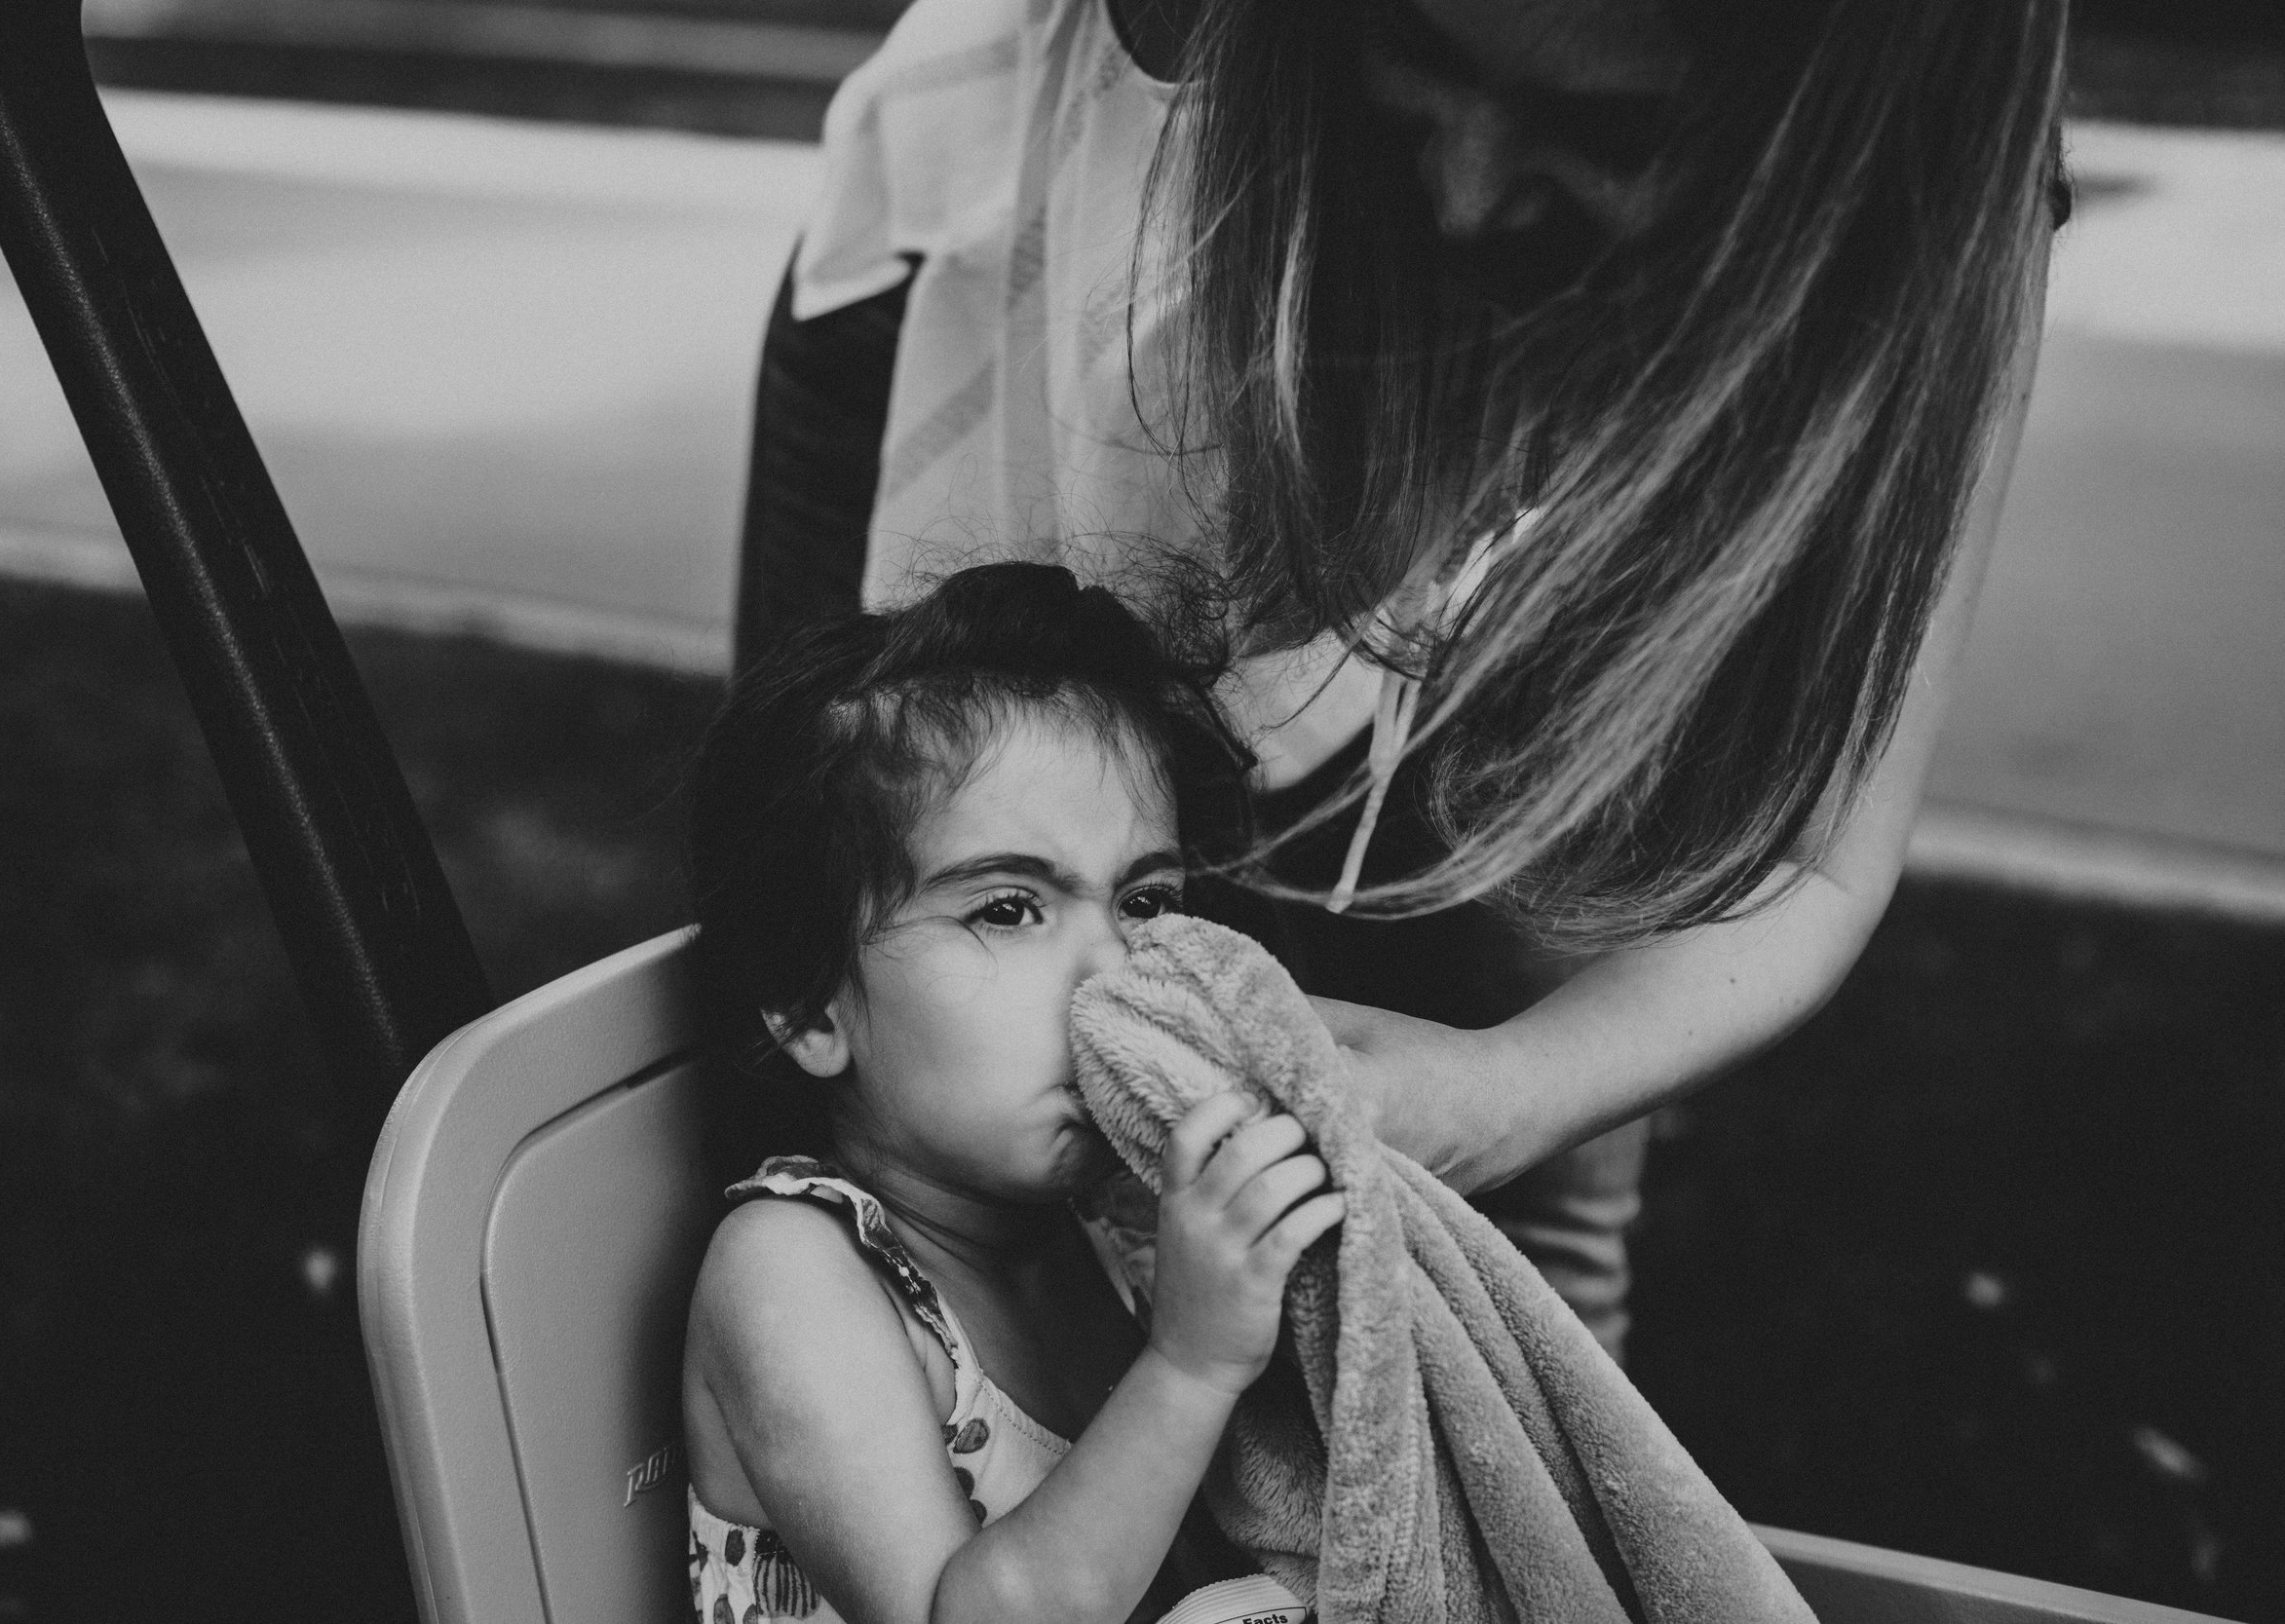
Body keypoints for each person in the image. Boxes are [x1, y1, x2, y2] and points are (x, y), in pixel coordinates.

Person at [732, 0, 2071, 1358]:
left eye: (1607, 128)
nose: (1472, 188)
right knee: (881, 916)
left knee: (1526, 1078)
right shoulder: (1185, 180)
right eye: (1421, 51)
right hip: (1006, 249)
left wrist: (1516, 1086)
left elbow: (1810, 862)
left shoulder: (1929, 202)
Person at [681, 563, 1331, 1624]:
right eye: (1007, 908)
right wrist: (1190, 1362)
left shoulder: (1110, 1227)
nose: (1111, 973)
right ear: (808, 1006)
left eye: (1145, 898)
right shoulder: (792, 1272)